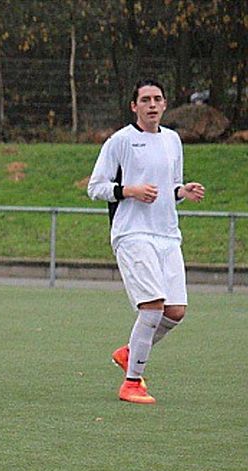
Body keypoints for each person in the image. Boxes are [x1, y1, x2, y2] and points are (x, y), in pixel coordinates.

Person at [87, 78, 205, 405]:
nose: (152, 105)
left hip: (167, 234)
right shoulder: (119, 141)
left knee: (175, 311)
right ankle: (131, 383)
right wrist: (130, 190)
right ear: (134, 106)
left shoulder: (173, 140)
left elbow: (172, 187)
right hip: (132, 233)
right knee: (152, 306)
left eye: (157, 99)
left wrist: (183, 192)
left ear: (165, 104)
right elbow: (95, 187)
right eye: (145, 100)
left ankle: (130, 353)